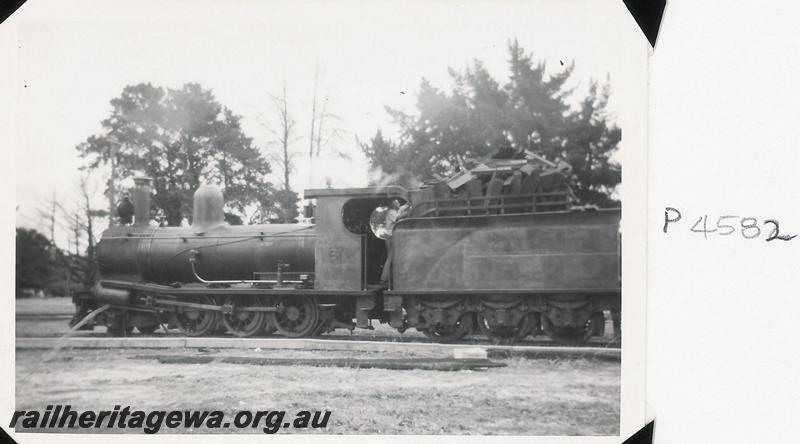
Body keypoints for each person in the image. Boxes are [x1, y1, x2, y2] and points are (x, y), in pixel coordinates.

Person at [379, 199, 410, 284]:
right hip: (390, 237)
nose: (399, 204)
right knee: (390, 258)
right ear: (393, 205)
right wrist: (409, 212)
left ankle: (387, 279)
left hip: (392, 237)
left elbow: (402, 208)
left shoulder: (395, 210)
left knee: (391, 258)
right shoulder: (391, 212)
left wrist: (408, 204)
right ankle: (383, 279)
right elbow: (398, 218)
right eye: (397, 203)